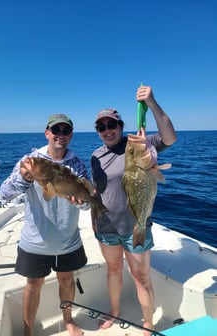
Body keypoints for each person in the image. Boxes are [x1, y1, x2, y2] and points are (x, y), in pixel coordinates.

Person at [91, 85, 177, 336]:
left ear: (120, 125)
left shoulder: (139, 143)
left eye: (112, 125)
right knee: (114, 270)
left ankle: (148, 322)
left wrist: (152, 103)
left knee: (141, 276)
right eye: (101, 127)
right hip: (106, 226)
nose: (107, 130)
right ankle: (114, 311)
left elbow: (170, 137)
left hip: (136, 226)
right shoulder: (95, 155)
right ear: (98, 131)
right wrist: (93, 220)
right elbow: (98, 192)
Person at [0, 114, 89, 336]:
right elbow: (4, 194)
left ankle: (68, 320)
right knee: (33, 286)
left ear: (70, 136)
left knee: (67, 280)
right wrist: (25, 179)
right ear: (47, 133)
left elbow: (87, 205)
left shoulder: (76, 164)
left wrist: (83, 202)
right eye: (56, 129)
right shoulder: (30, 161)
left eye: (65, 130)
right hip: (35, 241)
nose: (61, 134)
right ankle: (28, 330)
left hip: (68, 240)